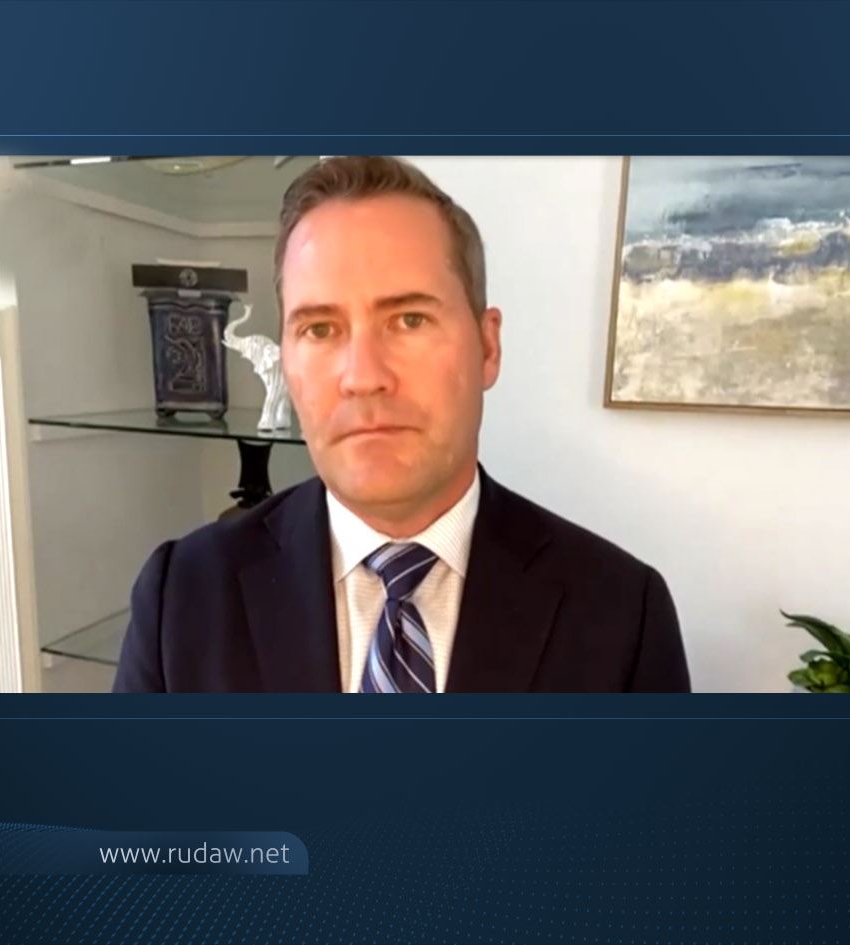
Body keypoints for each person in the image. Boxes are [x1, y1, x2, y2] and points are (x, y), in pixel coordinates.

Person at [113, 156, 690, 693]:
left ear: (488, 347)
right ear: (285, 358)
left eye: (409, 319)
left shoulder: (622, 615)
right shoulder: (182, 599)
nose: (363, 377)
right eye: (320, 329)